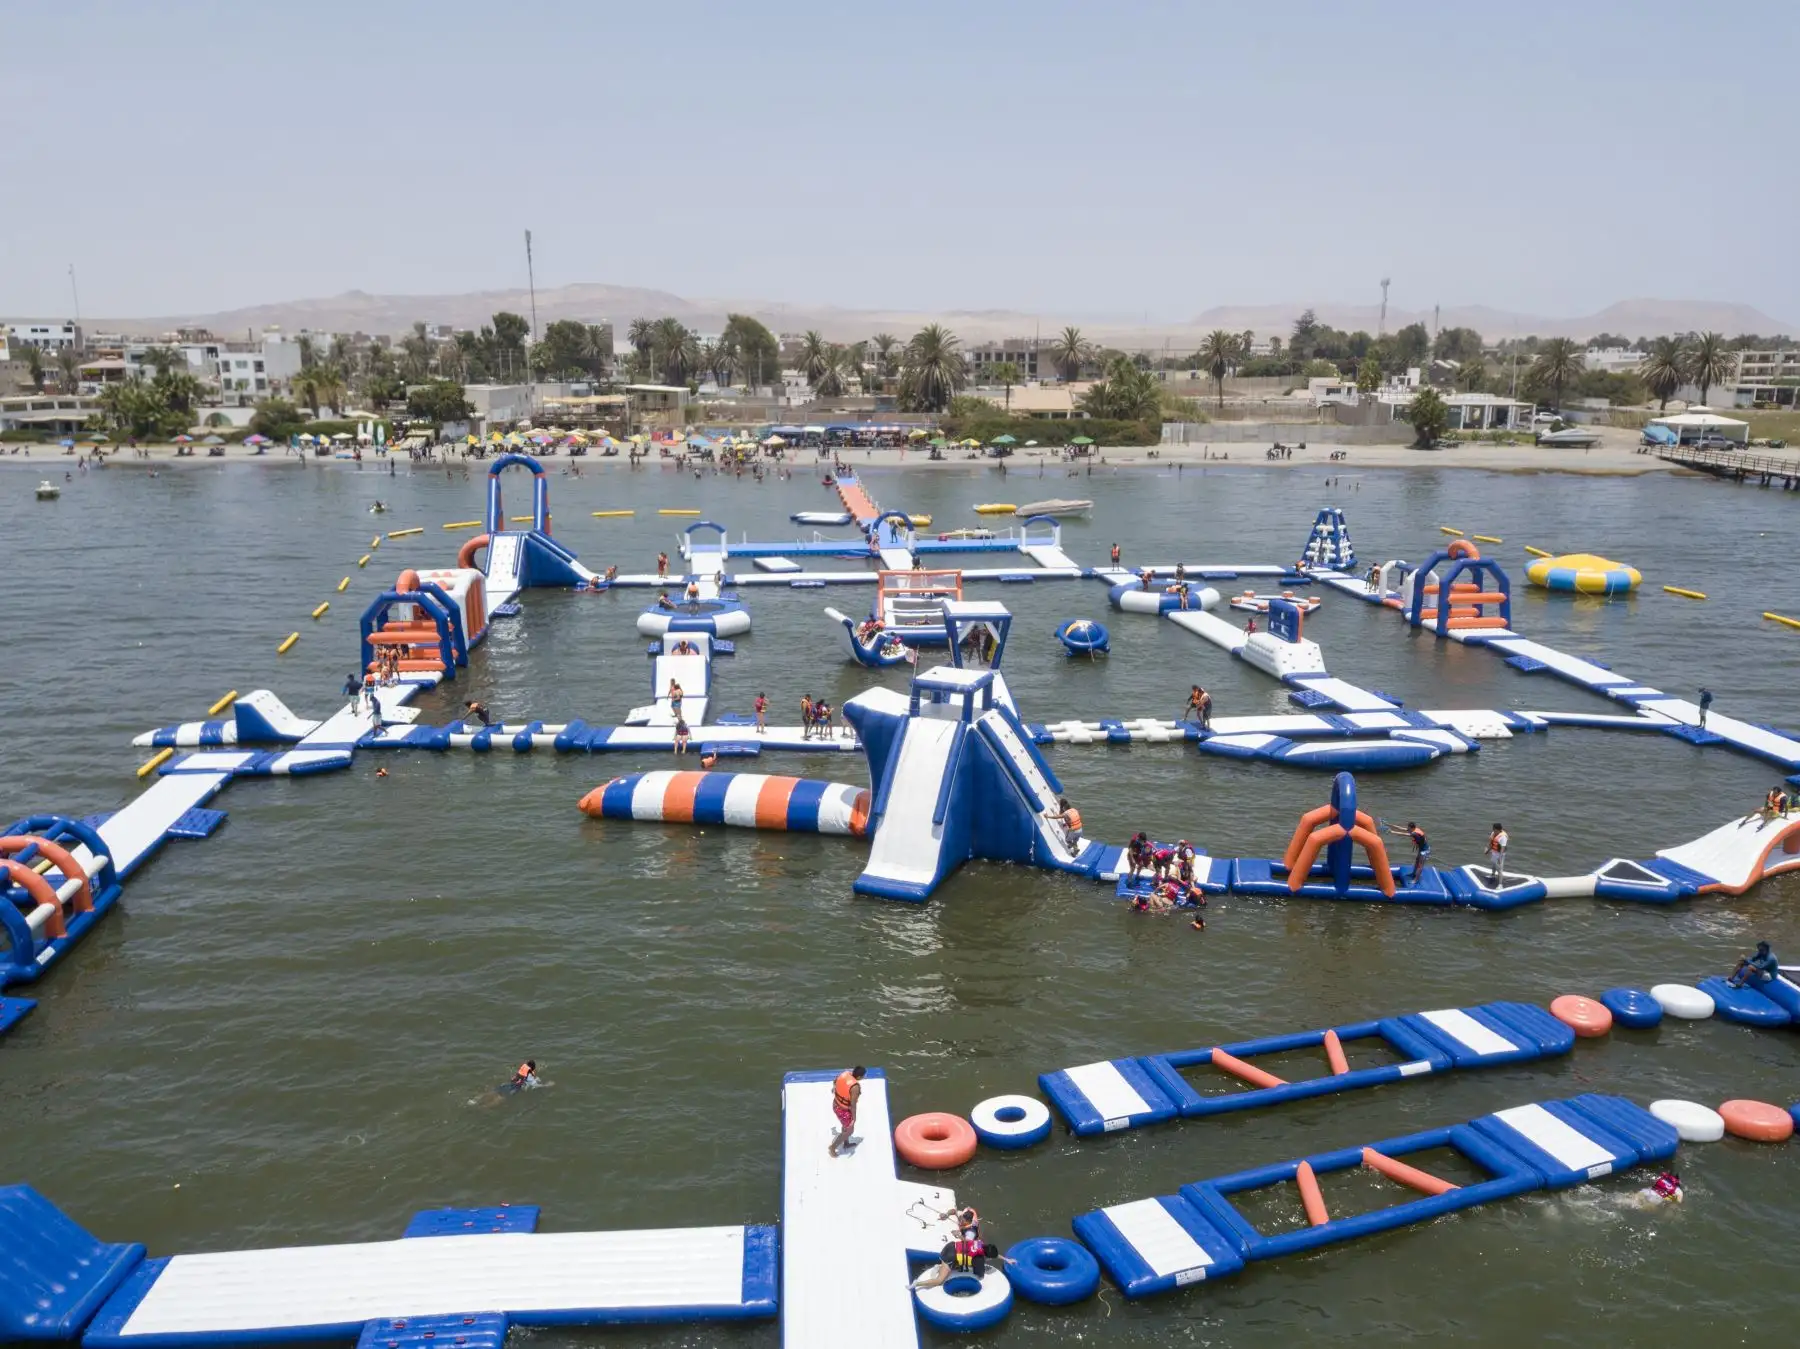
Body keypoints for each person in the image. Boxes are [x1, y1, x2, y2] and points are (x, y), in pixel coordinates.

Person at [910, 1238, 1012, 1290]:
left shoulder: (980, 1244)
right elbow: (979, 1274)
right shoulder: (979, 1259)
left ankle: (943, 1265)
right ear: (987, 1256)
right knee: (939, 1281)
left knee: (961, 1263)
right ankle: (917, 1284)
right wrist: (983, 1269)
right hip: (950, 1257)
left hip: (950, 1246)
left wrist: (1007, 1259)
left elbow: (992, 1253)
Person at [828, 1065, 865, 1156]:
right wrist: (854, 1118)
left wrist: (834, 1088)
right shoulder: (855, 1087)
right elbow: (853, 1104)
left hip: (835, 1105)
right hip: (843, 1111)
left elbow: (835, 1081)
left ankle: (846, 1143)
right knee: (849, 1131)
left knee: (845, 1127)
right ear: (859, 1077)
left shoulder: (845, 1074)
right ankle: (832, 1147)